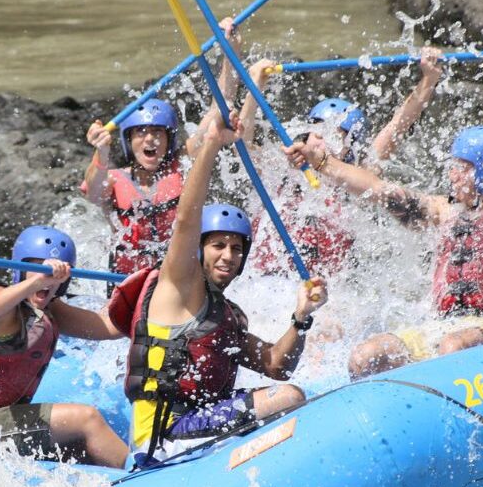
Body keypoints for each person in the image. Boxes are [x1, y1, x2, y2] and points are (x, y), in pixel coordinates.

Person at [104, 113, 328, 461]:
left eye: (236, 249)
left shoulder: (226, 313)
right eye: (218, 246)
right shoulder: (177, 288)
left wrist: (301, 318)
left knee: (288, 390)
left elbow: (275, 365)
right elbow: (185, 219)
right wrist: (211, 144)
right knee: (288, 398)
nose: (228, 256)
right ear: (199, 250)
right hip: (165, 435)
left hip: (199, 425)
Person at [282, 125, 483, 379]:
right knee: (365, 356)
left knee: (453, 346)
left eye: (462, 167)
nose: (452, 174)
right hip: (442, 328)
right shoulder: (446, 211)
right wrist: (320, 161)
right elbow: (379, 189)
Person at [0, 225, 129, 469]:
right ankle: (143, 485)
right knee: (87, 420)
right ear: (20, 270)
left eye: (54, 275)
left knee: (79, 446)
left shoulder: (50, 310)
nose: (46, 281)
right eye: (36, 267)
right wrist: (36, 282)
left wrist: (151, 292)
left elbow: (107, 327)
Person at [246, 48, 445, 276]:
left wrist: (429, 78)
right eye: (318, 133)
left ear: (351, 150)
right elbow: (243, 141)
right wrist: (255, 84)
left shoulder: (358, 174)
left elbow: (397, 125)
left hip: (324, 292)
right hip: (263, 281)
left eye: (335, 137)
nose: (322, 143)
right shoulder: (282, 168)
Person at [82, 18, 251, 277]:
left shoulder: (183, 163)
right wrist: (101, 151)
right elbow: (94, 192)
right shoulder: (114, 180)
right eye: (141, 132)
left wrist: (231, 51)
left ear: (169, 139)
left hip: (176, 277)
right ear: (128, 141)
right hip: (127, 281)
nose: (150, 140)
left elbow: (220, 105)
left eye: (158, 132)